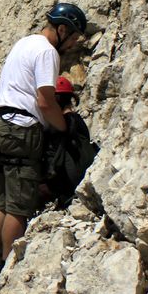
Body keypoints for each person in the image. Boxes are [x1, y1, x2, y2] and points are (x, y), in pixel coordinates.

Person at [0, 2, 87, 288]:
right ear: (62, 29)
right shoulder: (47, 52)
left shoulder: (24, 43)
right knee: (19, 206)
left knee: (2, 200)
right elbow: (44, 101)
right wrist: (63, 128)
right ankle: (8, 271)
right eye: (73, 37)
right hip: (20, 129)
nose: (73, 43)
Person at [40, 76, 98, 209]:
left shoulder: (58, 126)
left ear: (55, 99)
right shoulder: (78, 121)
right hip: (82, 179)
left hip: (65, 185)